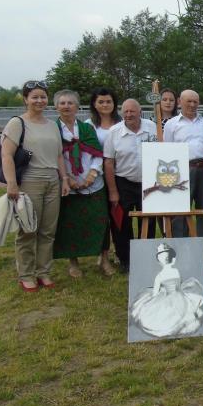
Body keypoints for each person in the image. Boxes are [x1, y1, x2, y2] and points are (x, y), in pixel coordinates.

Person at [1, 80, 69, 291]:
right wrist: (11, 183)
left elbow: (58, 155)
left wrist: (64, 179)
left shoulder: (52, 125)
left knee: (48, 231)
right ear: (25, 99)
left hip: (52, 181)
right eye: (34, 97)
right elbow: (7, 154)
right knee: (28, 230)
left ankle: (44, 271)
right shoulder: (17, 123)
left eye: (42, 97)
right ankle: (26, 274)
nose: (39, 101)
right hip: (30, 182)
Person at [53, 89, 108, 279]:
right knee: (70, 225)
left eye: (70, 103)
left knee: (100, 221)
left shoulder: (87, 129)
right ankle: (73, 263)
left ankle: (104, 258)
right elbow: (53, 157)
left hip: (93, 184)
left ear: (77, 106)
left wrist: (91, 177)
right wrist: (68, 179)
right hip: (68, 185)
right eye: (62, 103)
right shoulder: (53, 129)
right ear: (56, 107)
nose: (66, 106)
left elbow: (98, 154)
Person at [103, 99, 158, 272]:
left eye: (132, 111)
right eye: (125, 112)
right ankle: (125, 260)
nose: (128, 115)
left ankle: (147, 258)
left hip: (149, 182)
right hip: (123, 182)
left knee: (148, 222)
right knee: (122, 223)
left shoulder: (152, 127)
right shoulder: (114, 132)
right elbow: (109, 162)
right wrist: (113, 191)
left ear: (139, 111)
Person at [163, 89, 203, 252]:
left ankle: (202, 247)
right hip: (181, 170)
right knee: (180, 210)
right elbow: (167, 150)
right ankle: (180, 245)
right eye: (189, 101)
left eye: (196, 101)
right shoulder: (172, 124)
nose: (193, 104)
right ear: (180, 102)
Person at [129, 242, 203, 338]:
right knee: (183, 308)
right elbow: (178, 285)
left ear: (159, 261)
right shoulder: (176, 271)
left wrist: (161, 292)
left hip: (170, 296)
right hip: (178, 296)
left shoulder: (160, 276)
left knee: (160, 312)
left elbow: (155, 293)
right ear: (172, 260)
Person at [86, 87, 122, 276]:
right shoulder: (88, 125)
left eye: (108, 101)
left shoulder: (122, 123)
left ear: (114, 104)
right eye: (101, 101)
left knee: (118, 216)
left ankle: (119, 251)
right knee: (102, 219)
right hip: (97, 177)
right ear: (94, 104)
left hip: (120, 175)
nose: (105, 105)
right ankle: (103, 255)